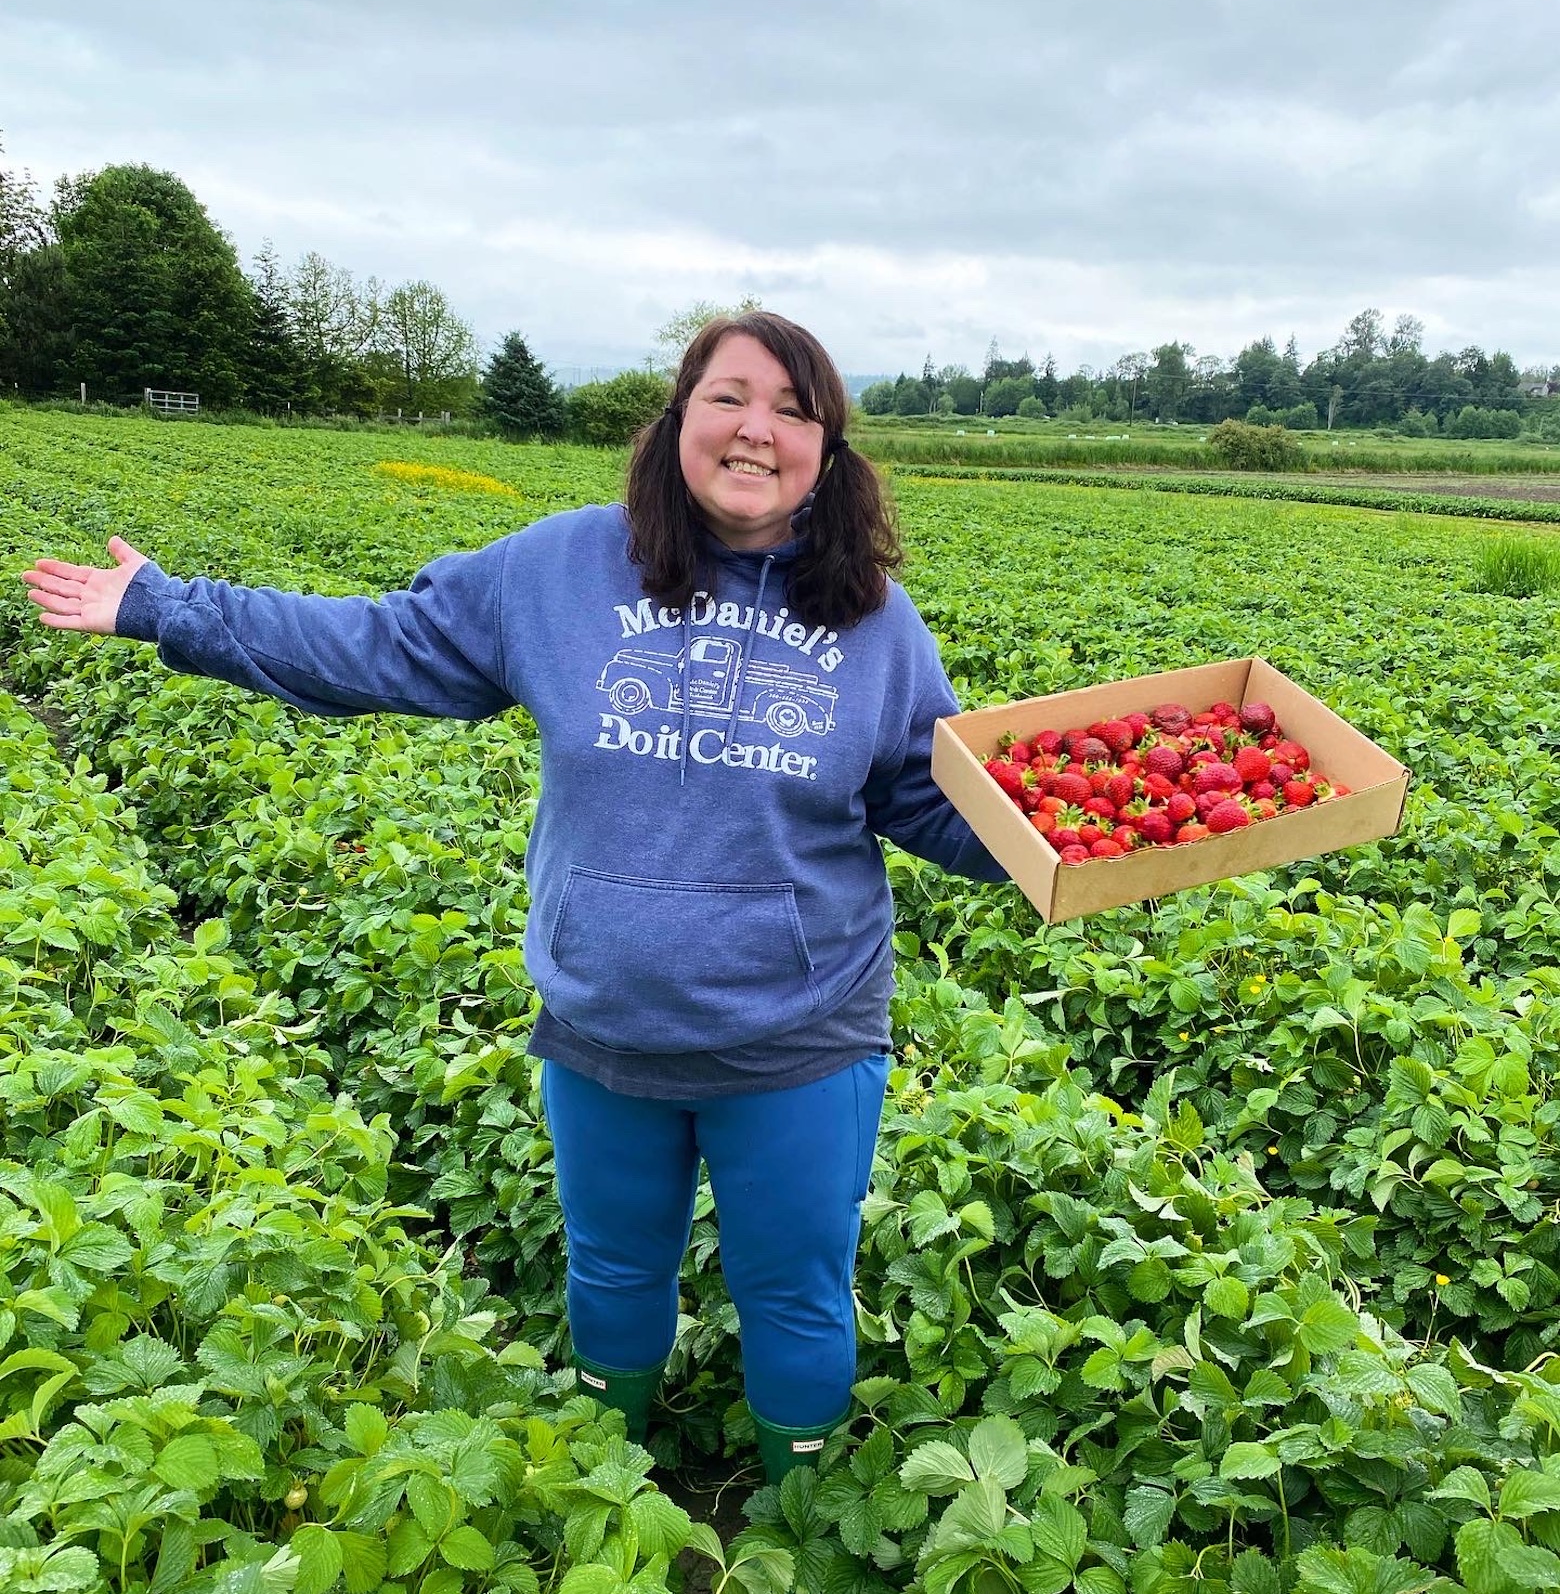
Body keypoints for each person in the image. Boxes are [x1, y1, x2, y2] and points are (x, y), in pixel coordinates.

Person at [22, 312, 1008, 1481]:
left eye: (796, 411)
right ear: (678, 421)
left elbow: (930, 799)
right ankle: (610, 1488)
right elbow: (375, 647)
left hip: (798, 1039)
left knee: (794, 1289)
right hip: (605, 1025)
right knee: (612, 1269)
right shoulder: (560, 571)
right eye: (731, 396)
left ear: (828, 455)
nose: (759, 429)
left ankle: (801, 1518)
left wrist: (1103, 841)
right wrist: (172, 609)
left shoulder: (875, 624)